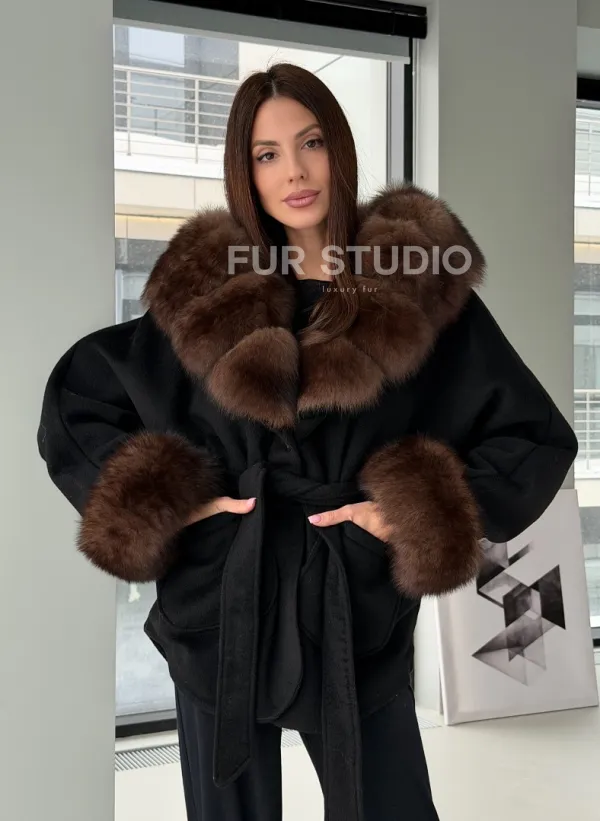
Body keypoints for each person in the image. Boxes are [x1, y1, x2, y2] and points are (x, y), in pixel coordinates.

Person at [37, 62, 578, 821]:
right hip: (220, 600)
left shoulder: (416, 286)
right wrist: (171, 502)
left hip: (351, 600)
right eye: (267, 154)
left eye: (311, 142)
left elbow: (532, 433)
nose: (294, 171)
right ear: (245, 171)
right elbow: (79, 398)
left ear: (339, 149)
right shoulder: (208, 293)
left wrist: (410, 512)